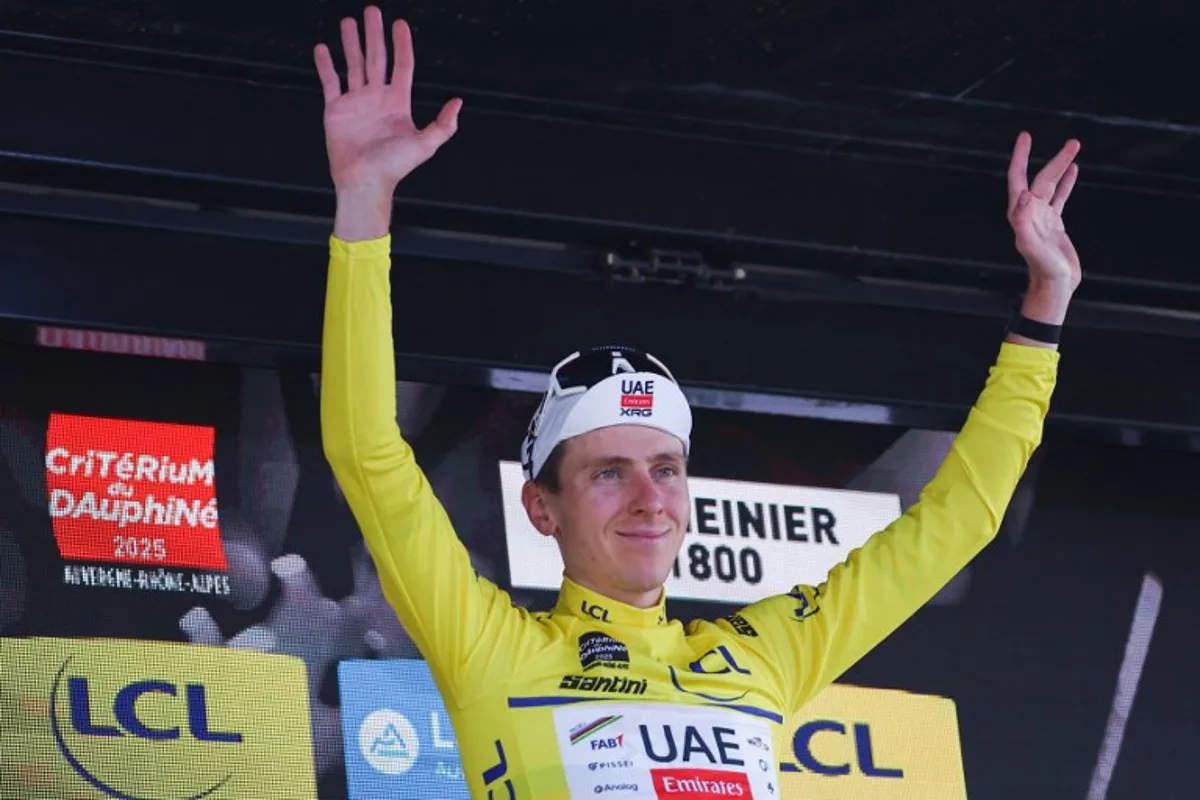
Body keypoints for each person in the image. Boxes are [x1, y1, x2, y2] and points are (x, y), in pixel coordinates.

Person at [316, 6, 1082, 798]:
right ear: (541, 508)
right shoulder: (493, 651)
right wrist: (365, 201)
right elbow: (367, 452)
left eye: (666, 468)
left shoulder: (761, 656)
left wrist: (1046, 305)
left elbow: (957, 524)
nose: (649, 498)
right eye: (608, 472)